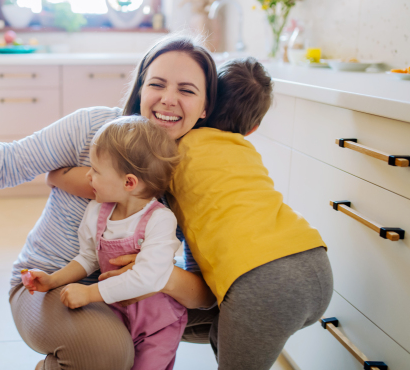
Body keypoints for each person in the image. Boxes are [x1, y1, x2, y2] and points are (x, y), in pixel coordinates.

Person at [0, 33, 219, 370]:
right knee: (108, 352)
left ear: (206, 107)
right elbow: (6, 164)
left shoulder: (200, 172)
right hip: (50, 280)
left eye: (186, 90)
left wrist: (155, 275)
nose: (168, 99)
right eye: (157, 84)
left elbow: (206, 292)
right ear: (140, 87)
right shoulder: (94, 128)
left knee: (228, 314)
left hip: (137, 294)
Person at [51, 58, 334, 370]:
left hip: (262, 281)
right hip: (316, 263)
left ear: (204, 108)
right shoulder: (245, 151)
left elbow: (119, 181)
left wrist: (58, 176)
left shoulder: (176, 151)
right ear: (253, 129)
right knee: (210, 328)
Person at [22, 116, 187, 370]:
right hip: (116, 311)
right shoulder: (97, 211)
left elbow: (148, 277)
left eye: (96, 170)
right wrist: (54, 280)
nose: (88, 175)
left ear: (129, 182)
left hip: (157, 324)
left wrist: (88, 293)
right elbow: (88, 258)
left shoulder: (160, 220)